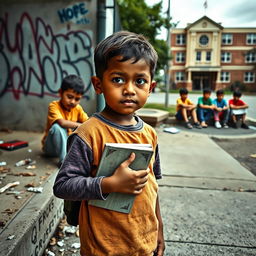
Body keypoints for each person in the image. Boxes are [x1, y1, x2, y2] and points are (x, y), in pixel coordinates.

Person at [53, 31, 165, 256]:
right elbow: (63, 186)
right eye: (117, 79)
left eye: (140, 81)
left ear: (150, 88)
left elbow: (152, 186)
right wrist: (109, 184)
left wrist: (159, 228)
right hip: (103, 246)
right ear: (98, 84)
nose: (129, 89)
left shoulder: (150, 134)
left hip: (144, 241)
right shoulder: (89, 133)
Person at [42, 75, 88, 166]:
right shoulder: (54, 105)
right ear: (60, 93)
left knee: (86, 129)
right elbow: (62, 123)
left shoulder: (78, 108)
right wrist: (81, 125)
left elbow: (88, 122)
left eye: (77, 99)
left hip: (67, 146)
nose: (73, 102)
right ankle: (65, 162)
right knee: (57, 127)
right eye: (70, 97)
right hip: (51, 148)